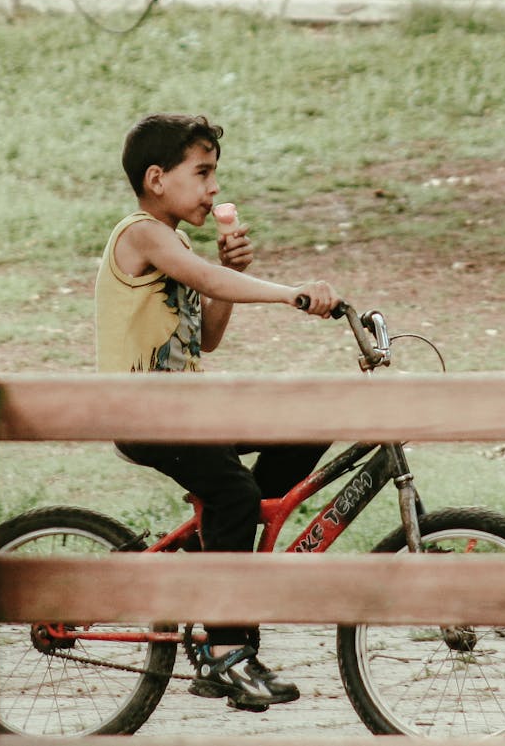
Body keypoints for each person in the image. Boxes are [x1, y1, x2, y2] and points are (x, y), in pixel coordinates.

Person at [95, 112, 341, 713]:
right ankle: (227, 650)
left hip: (187, 412)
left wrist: (229, 275)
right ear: (157, 178)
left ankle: (210, 560)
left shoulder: (174, 242)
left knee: (307, 428)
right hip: (149, 417)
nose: (213, 189)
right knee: (232, 495)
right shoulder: (141, 233)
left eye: (214, 174)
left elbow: (205, 338)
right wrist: (291, 293)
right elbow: (207, 279)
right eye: (202, 173)